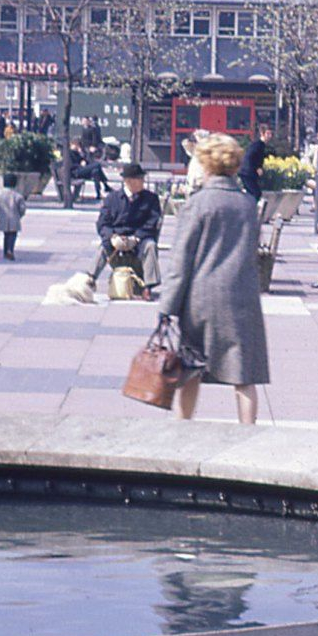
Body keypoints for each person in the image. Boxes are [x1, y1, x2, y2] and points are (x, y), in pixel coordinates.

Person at [161, 133, 270, 424]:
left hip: (201, 300)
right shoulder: (248, 205)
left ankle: (182, 430)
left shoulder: (198, 203)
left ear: (205, 164)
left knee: (190, 369)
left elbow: (181, 260)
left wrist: (167, 305)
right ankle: (248, 434)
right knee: (244, 375)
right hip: (242, 299)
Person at [91, 162, 163, 291]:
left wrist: (136, 238)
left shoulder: (151, 199)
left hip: (139, 239)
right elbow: (102, 223)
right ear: (128, 181)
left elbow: (152, 222)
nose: (142, 181)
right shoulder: (112, 198)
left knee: (150, 246)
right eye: (139, 179)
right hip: (117, 239)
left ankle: (149, 286)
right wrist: (112, 237)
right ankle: (90, 279)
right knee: (103, 246)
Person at [0, 173, 27, 261]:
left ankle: (5, 251)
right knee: (13, 235)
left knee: (5, 235)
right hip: (14, 219)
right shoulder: (17, 196)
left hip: (3, 218)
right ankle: (10, 251)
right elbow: (22, 208)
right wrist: (19, 216)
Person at [240, 122, 272, 199]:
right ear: (262, 133)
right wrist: (257, 168)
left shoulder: (260, 145)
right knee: (256, 194)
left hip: (248, 173)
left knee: (253, 194)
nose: (270, 136)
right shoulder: (258, 145)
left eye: (270, 134)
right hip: (247, 173)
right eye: (268, 134)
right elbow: (249, 157)